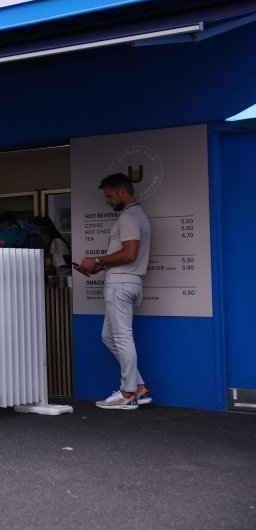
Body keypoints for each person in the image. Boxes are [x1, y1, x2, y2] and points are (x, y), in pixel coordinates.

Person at [76, 173, 153, 410]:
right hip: (128, 283)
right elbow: (127, 254)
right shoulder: (136, 215)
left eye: (110, 196)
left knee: (121, 337)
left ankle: (127, 393)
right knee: (109, 337)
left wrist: (97, 260)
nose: (107, 201)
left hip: (121, 285)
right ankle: (140, 389)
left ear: (123, 191)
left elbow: (130, 253)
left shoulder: (129, 216)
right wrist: (99, 266)